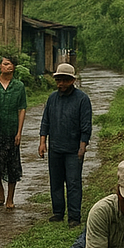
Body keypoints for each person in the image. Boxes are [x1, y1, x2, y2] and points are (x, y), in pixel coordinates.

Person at [38, 62, 92, 228]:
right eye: (58, 80)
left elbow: (86, 126)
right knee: (55, 181)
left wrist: (82, 147)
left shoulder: (82, 99)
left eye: (65, 80)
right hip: (55, 148)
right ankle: (58, 212)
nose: (61, 84)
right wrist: (42, 142)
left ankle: (74, 216)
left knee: (73, 183)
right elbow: (45, 121)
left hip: (73, 150)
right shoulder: (52, 98)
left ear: (72, 81)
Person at [0, 54, 28, 210]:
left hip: (11, 130)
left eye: (11, 64)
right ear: (0, 67)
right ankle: (0, 189)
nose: (8, 66)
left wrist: (19, 132)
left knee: (12, 164)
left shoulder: (18, 86)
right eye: (5, 64)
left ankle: (10, 198)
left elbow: (22, 109)